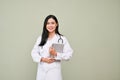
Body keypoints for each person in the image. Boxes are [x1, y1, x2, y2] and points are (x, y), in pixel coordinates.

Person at [31, 15, 73, 80]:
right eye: (48, 23)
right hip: (42, 73)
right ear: (45, 25)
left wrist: (56, 54)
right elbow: (33, 53)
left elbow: (69, 55)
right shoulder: (40, 38)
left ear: (57, 24)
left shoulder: (62, 39)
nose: (50, 25)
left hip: (54, 73)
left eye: (53, 23)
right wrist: (43, 59)